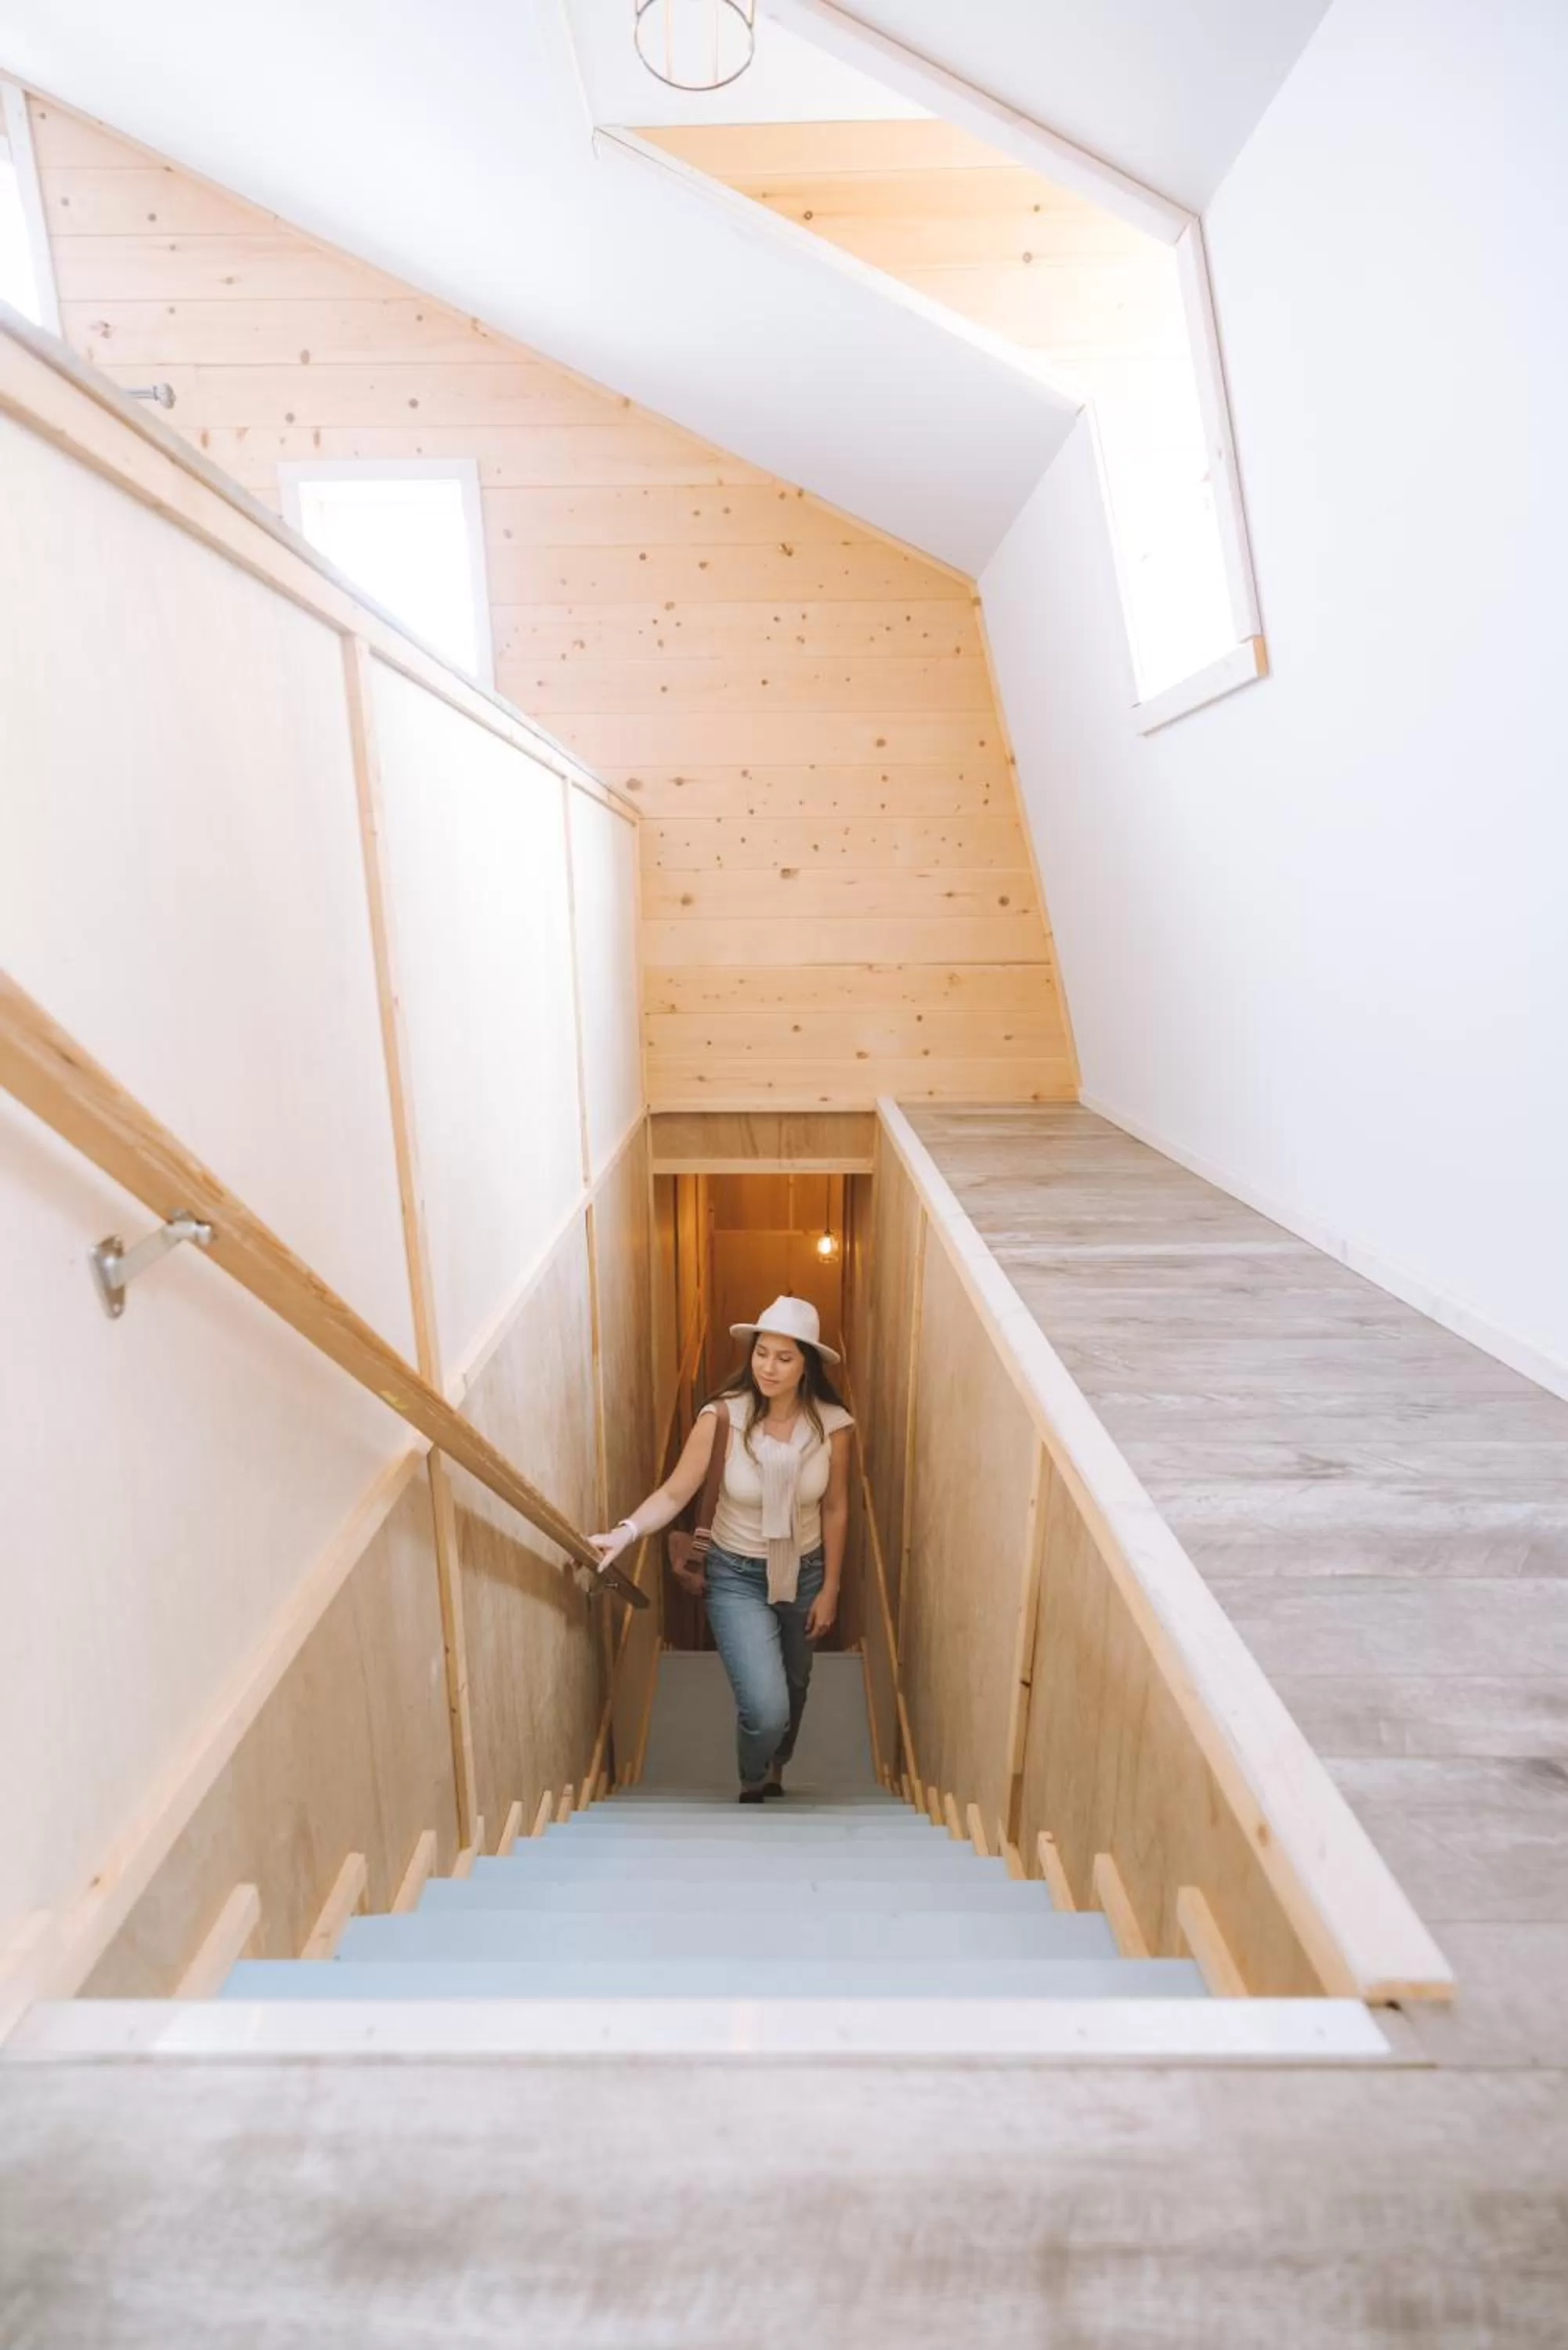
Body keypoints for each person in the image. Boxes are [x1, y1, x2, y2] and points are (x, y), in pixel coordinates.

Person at [591, 1296, 854, 1802]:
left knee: (796, 1687)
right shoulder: (723, 1417)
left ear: (807, 1365)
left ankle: (778, 1765)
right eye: (762, 1353)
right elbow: (673, 1492)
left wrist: (832, 1589)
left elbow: (836, 1508)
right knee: (766, 1705)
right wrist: (624, 1532)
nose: (768, 1367)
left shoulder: (833, 1425)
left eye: (784, 1357)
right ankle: (753, 1774)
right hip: (735, 1575)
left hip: (806, 1572)